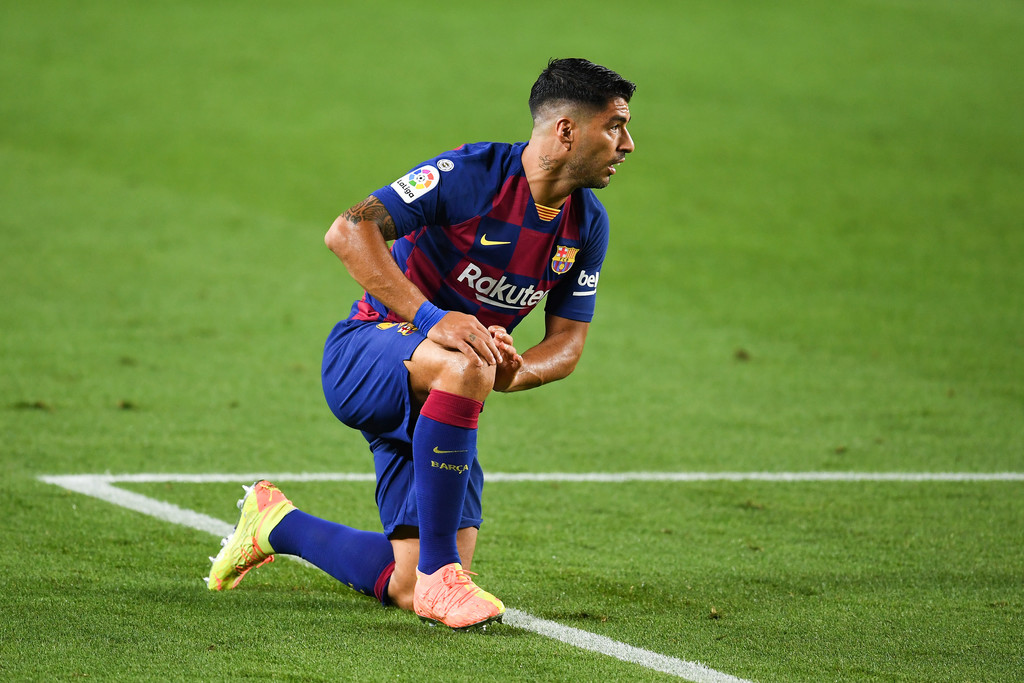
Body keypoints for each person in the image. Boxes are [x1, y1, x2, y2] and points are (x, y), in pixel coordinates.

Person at [206, 58, 636, 630]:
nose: (627, 144)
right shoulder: (471, 174)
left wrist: (512, 370)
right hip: (368, 353)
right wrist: (436, 319)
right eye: (615, 126)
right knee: (463, 371)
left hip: (447, 394)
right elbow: (348, 229)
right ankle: (441, 573)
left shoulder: (588, 224)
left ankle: (275, 524)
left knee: (404, 585)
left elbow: (568, 343)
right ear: (565, 130)